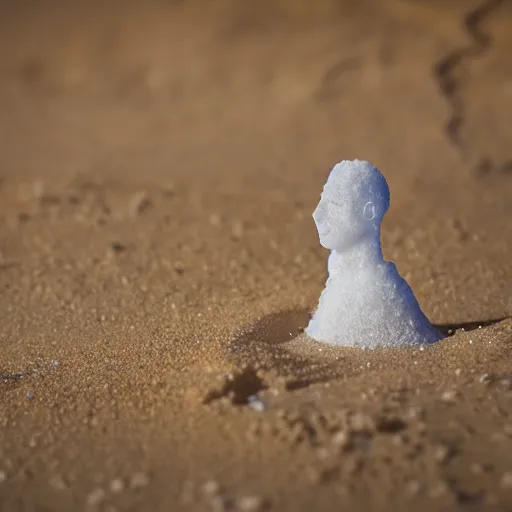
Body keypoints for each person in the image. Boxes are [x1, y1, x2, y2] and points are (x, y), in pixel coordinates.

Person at [306, 160, 443, 348]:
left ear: (369, 211)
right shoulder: (341, 281)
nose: (317, 214)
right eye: (323, 201)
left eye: (335, 205)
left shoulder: (377, 294)